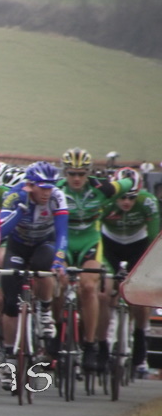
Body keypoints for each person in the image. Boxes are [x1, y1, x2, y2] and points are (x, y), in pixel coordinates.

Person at [57, 147, 134, 372]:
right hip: (65, 242)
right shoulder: (57, 190)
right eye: (72, 173)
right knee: (58, 283)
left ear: (88, 173)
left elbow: (129, 182)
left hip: (90, 242)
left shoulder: (98, 189)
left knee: (89, 288)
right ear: (65, 174)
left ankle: (90, 345)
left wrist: (108, 185)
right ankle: (55, 330)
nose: (77, 178)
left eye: (82, 173)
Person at [0, 161, 68, 386]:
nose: (47, 192)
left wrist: (59, 257)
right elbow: (0, 231)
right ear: (30, 185)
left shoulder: (58, 197)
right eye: (42, 187)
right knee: (10, 303)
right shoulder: (14, 196)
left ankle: (46, 310)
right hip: (17, 247)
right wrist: (21, 210)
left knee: (44, 267)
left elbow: (62, 232)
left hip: (44, 244)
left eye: (50, 187)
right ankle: (10, 357)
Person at [99, 167, 159, 374]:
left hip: (138, 247)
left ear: (139, 194)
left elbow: (154, 239)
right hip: (109, 246)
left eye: (132, 198)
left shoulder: (147, 202)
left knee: (140, 298)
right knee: (105, 293)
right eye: (122, 197)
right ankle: (103, 346)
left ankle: (140, 342)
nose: (126, 202)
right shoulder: (105, 202)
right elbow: (93, 230)